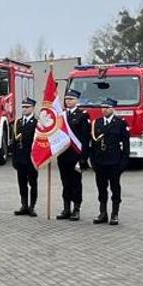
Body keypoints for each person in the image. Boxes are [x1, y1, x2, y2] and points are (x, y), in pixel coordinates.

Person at [89, 98, 129, 225]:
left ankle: (115, 214)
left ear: (112, 108)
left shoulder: (120, 123)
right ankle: (103, 213)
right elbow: (92, 144)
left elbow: (126, 145)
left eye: (107, 107)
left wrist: (123, 163)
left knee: (115, 188)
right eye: (102, 107)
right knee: (101, 188)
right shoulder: (97, 123)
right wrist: (93, 160)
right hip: (100, 162)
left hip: (114, 162)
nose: (104, 110)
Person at [55, 91, 90, 221]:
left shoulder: (82, 116)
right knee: (65, 183)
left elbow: (86, 139)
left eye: (71, 99)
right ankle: (66, 208)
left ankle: (76, 209)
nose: (68, 101)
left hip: (76, 155)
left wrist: (83, 158)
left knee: (76, 183)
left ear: (77, 100)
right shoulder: (61, 115)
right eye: (66, 99)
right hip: (63, 154)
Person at [9, 97, 41, 216]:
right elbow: (14, 142)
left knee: (33, 183)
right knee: (22, 183)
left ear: (33, 108)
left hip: (31, 158)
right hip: (20, 158)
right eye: (23, 107)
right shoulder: (18, 122)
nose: (25, 109)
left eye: (27, 107)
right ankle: (24, 205)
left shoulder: (37, 123)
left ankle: (32, 206)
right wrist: (14, 158)